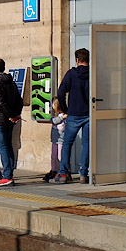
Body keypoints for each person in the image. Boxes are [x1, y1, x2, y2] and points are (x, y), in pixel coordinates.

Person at [53, 48, 90, 184]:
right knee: (86, 144)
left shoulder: (71, 74)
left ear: (77, 60)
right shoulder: (93, 73)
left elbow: (61, 92)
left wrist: (65, 109)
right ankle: (83, 174)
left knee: (67, 143)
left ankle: (63, 173)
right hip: (89, 114)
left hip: (73, 113)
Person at [0, 58, 23, 187]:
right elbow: (19, 100)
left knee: (2, 148)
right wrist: (15, 115)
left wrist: (11, 115)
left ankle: (7, 176)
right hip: (8, 120)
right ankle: (9, 174)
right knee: (8, 147)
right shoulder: (11, 82)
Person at [42, 98, 67, 182]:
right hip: (55, 139)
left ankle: (63, 171)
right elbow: (53, 120)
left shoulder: (64, 115)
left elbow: (56, 122)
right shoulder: (55, 116)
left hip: (61, 140)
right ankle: (53, 170)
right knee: (53, 156)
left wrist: (63, 117)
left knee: (60, 156)